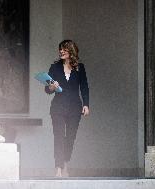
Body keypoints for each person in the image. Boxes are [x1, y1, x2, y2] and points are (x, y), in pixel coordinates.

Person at [45, 40, 90, 177]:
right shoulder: (54, 67)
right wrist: (51, 87)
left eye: (64, 49)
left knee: (70, 137)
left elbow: (84, 87)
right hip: (58, 108)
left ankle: (65, 164)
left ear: (71, 50)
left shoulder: (79, 68)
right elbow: (47, 89)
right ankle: (58, 168)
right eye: (60, 49)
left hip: (75, 108)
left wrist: (86, 104)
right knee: (58, 136)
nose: (61, 51)